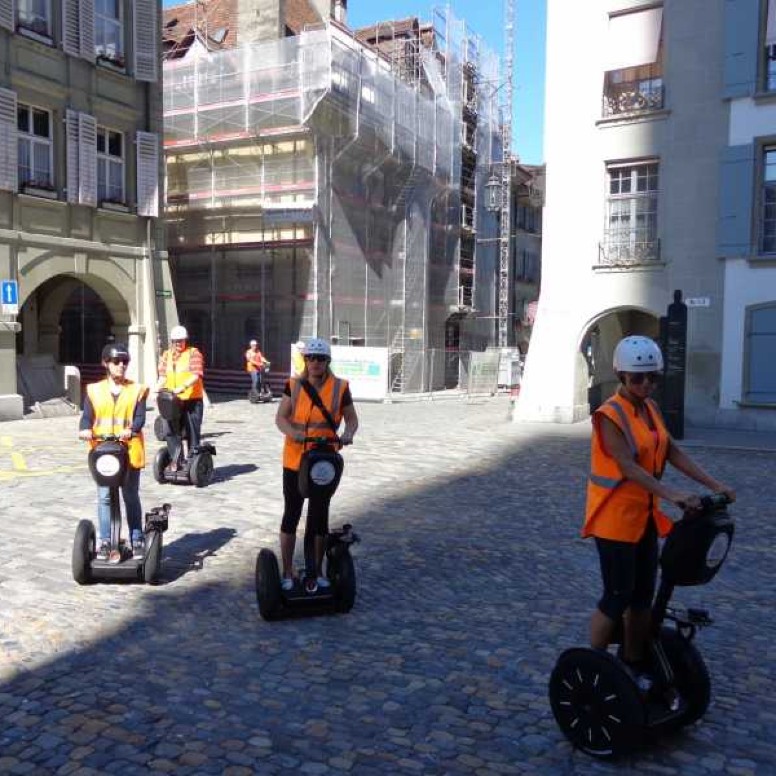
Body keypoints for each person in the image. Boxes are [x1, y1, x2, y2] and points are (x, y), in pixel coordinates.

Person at [583, 335, 736, 686]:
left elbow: (671, 452)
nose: (646, 384)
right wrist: (672, 494)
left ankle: (633, 661)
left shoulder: (649, 409)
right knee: (617, 594)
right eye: (638, 378)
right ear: (621, 375)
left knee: (643, 596)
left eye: (652, 377)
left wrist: (714, 485)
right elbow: (627, 467)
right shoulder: (610, 414)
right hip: (615, 521)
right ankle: (595, 666)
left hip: (645, 519)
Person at [275, 338, 359, 592]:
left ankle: (317, 569)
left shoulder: (340, 387)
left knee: (319, 516)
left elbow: (352, 420)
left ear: (327, 362)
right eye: (310, 358)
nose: (315, 363)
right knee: (292, 513)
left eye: (320, 359)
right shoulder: (294, 385)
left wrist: (348, 434)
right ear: (305, 361)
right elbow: (281, 417)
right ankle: (287, 570)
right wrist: (293, 432)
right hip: (295, 459)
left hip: (324, 461)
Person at [78, 343, 149, 562]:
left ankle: (137, 537)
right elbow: (87, 417)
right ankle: (106, 541)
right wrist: (85, 430)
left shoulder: (136, 389)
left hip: (128, 451)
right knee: (104, 497)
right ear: (105, 364)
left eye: (124, 362)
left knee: (130, 495)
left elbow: (140, 417)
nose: (121, 366)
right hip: (103, 452)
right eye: (116, 362)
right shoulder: (94, 390)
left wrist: (132, 430)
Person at [156, 325, 205, 461]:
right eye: (176, 341)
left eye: (181, 340)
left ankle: (193, 461)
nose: (179, 343)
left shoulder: (194, 353)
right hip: (172, 401)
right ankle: (176, 460)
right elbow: (163, 376)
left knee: (192, 432)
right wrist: (156, 387)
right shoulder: (166, 355)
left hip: (192, 401)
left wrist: (183, 387)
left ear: (185, 340)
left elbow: (196, 375)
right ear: (172, 341)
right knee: (171, 431)